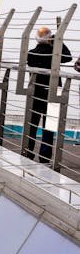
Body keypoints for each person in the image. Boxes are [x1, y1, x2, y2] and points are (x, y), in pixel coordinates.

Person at [25, 25, 72, 163]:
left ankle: (28, 151)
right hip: (52, 91)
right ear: (50, 38)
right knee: (49, 125)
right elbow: (68, 57)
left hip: (35, 91)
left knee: (31, 123)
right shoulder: (55, 54)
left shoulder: (31, 53)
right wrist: (58, 41)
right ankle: (44, 156)